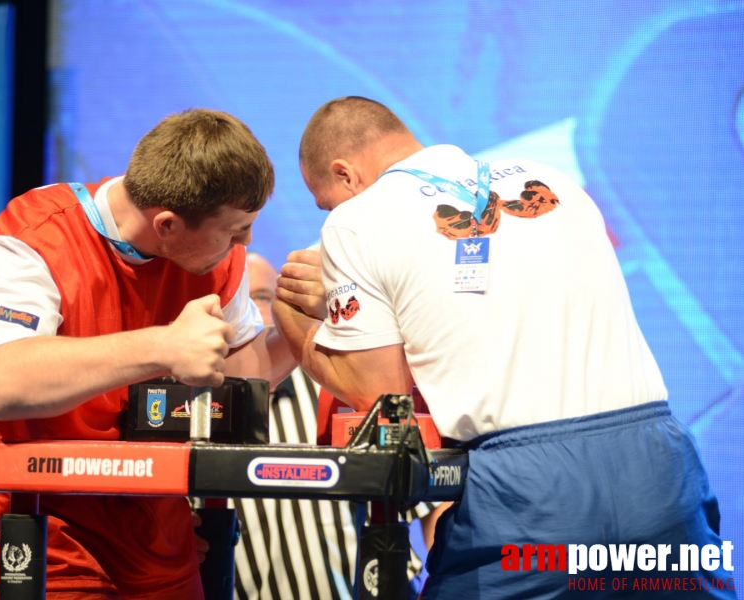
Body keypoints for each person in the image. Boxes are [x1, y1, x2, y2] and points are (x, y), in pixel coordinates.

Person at [272, 96, 735, 598]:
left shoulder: (356, 220)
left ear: (346, 176)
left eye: (328, 202)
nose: (332, 214)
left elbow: (381, 394)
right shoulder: (552, 179)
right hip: (660, 466)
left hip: (531, 491)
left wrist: (295, 320)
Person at [0, 108, 296, 600]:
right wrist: (162, 345)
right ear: (168, 225)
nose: (246, 242)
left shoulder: (221, 259)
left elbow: (234, 382)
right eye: (236, 229)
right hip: (43, 516)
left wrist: (299, 333)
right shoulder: (34, 236)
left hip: (156, 515)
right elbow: (2, 384)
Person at [234, 251, 434, 600]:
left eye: (264, 298)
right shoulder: (201, 410)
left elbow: (428, 501)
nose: (254, 314)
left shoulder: (340, 389)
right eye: (240, 303)